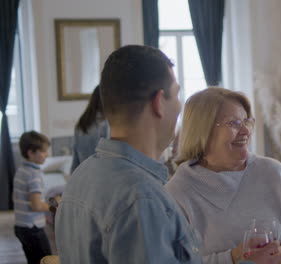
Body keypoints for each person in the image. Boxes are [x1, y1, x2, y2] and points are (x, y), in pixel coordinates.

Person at [55, 45, 202, 263]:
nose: (180, 105)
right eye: (177, 94)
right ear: (159, 102)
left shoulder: (81, 176)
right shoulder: (142, 198)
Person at [166, 87, 281, 264]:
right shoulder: (177, 193)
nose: (246, 131)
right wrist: (232, 258)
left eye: (247, 122)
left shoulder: (273, 172)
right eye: (234, 123)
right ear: (204, 131)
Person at [13, 131, 52, 264]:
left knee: (33, 260)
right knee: (47, 260)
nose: (47, 154)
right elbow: (36, 205)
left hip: (21, 226)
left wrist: (43, 216)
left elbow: (25, 201)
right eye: (43, 151)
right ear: (31, 153)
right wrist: (53, 206)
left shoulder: (21, 170)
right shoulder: (34, 174)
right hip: (32, 229)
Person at [70, 85, 109, 172]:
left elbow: (75, 160)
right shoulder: (107, 124)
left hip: (84, 176)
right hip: (101, 177)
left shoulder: (81, 123)